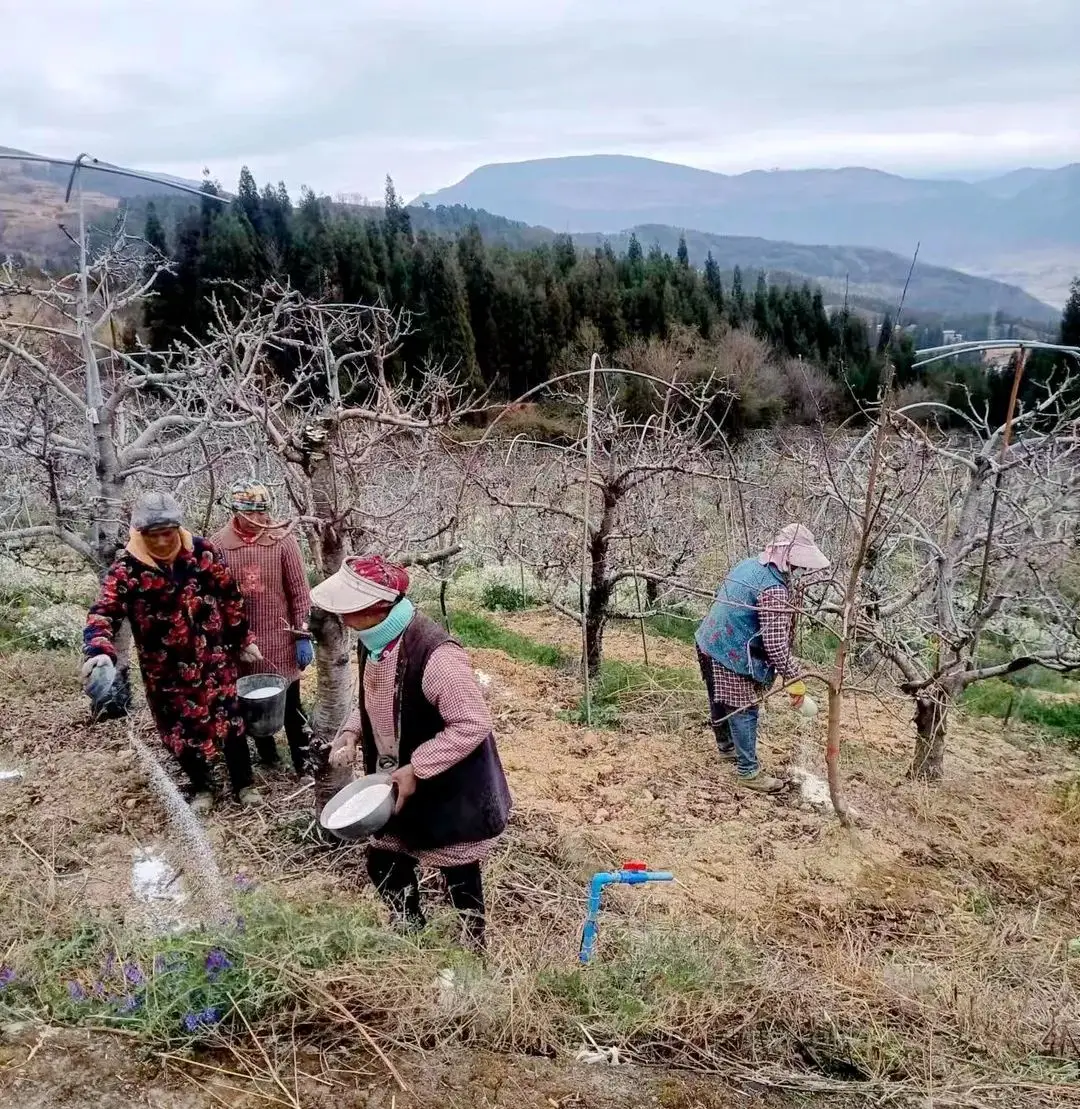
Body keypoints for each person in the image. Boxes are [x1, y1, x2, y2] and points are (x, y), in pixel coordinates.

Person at [315, 555, 511, 950]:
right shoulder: (374, 643)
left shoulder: (436, 655)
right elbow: (371, 698)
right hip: (393, 777)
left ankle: (473, 943)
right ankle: (409, 929)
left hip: (445, 783)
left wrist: (417, 767)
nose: (343, 619)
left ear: (376, 607)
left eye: (348, 610)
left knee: (458, 868)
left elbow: (472, 723)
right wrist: (351, 733)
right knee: (384, 861)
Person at [82, 492, 265, 812]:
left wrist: (242, 638)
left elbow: (229, 595)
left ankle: (243, 784)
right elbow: (103, 613)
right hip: (164, 671)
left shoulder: (202, 552)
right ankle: (202, 787)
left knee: (231, 725)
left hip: (213, 660)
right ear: (141, 533)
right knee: (180, 730)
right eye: (156, 535)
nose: (165, 540)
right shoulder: (127, 569)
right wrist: (99, 651)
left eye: (169, 532)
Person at [694, 524, 830, 793]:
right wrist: (796, 678)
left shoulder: (750, 564)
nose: (801, 571)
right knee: (744, 708)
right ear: (791, 560)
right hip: (731, 650)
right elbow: (776, 646)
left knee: (719, 700)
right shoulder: (773, 589)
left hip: (709, 639)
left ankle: (727, 747)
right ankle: (748, 772)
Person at [212, 481, 313, 777]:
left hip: (280, 640)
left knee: (292, 706)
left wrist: (302, 635)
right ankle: (267, 755)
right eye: (252, 514)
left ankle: (304, 763)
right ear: (236, 512)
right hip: (240, 643)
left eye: (263, 512)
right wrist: (231, 640)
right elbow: (214, 600)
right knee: (251, 703)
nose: (260, 520)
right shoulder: (218, 545)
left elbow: (299, 591)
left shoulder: (282, 539)